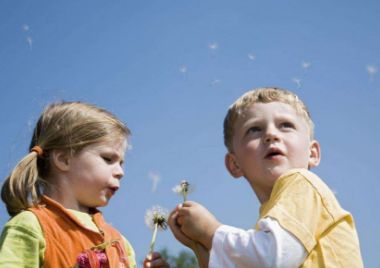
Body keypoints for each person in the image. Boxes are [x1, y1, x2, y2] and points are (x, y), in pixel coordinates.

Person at [169, 87, 364, 267]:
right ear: (235, 164)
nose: (271, 134)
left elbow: (273, 258)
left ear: (312, 153)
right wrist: (203, 248)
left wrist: (211, 232)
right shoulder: (267, 231)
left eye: (286, 125)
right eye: (254, 129)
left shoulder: (304, 184)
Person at [0, 101, 168, 268]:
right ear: (64, 159)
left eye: (121, 163)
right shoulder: (31, 226)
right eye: (108, 159)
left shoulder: (120, 243)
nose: (120, 172)